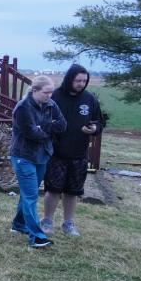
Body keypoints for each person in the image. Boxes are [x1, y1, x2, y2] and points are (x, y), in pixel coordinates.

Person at [41, 64, 104, 237]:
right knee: (53, 189)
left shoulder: (89, 99)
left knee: (72, 191)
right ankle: (47, 221)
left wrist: (94, 128)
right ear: (70, 79)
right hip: (56, 152)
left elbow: (99, 121)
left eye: (84, 80)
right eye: (78, 80)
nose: (81, 84)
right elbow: (42, 118)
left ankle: (68, 223)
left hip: (79, 153)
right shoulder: (55, 97)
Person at [9, 75, 66, 248]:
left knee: (28, 194)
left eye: (51, 92)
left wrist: (44, 128)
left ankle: (19, 224)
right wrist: (50, 130)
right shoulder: (23, 108)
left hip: (43, 155)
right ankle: (37, 237)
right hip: (23, 156)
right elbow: (31, 134)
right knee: (31, 195)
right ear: (34, 90)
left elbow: (63, 125)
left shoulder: (50, 104)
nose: (50, 96)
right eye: (46, 92)